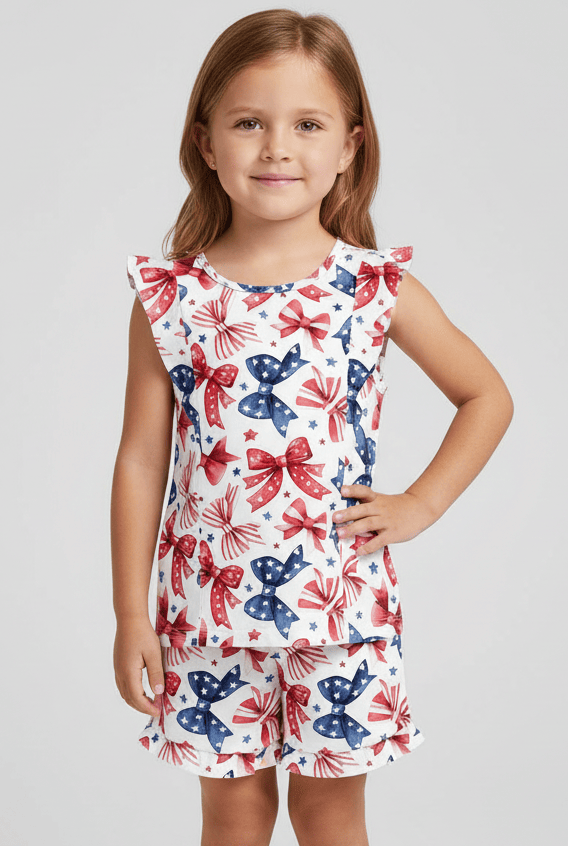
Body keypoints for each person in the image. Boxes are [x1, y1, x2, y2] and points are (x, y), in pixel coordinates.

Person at [111, 9, 514, 846]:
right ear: (205, 142)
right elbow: (142, 460)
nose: (276, 149)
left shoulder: (373, 288)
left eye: (307, 125)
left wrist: (421, 504)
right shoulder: (170, 299)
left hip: (340, 605)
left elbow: (486, 396)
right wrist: (130, 615)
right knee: (234, 812)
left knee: (330, 813)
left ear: (349, 146)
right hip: (205, 609)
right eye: (248, 123)